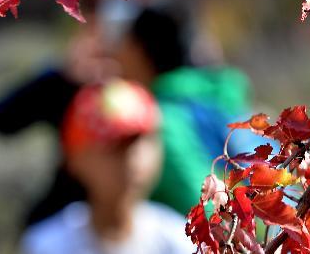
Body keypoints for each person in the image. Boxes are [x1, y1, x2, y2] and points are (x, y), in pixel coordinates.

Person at [0, 0, 148, 226]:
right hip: (73, 220)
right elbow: (1, 121)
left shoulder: (170, 73)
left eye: (133, 0)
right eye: (105, 2)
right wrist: (64, 79)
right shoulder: (70, 77)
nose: (121, 13)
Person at [114, 4, 265, 215]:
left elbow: (201, 206)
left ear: (139, 50)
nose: (117, 54)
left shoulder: (162, 120)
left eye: (124, 42)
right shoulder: (225, 99)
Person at [21, 79, 193, 254]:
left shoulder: (179, 239)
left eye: (141, 141)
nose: (132, 158)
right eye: (114, 146)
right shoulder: (47, 245)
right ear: (75, 159)